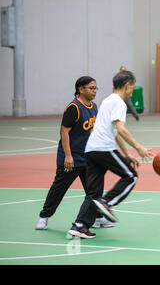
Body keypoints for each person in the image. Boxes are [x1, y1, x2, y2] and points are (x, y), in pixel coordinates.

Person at [67, 70, 154, 239]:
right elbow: (121, 130)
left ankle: (80, 226)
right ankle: (107, 204)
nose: (132, 90)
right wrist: (138, 148)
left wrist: (127, 153)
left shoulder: (108, 100)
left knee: (93, 194)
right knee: (131, 176)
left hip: (91, 150)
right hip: (103, 149)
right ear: (127, 85)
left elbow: (113, 131)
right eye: (132, 87)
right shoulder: (119, 103)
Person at [35, 76, 113, 229]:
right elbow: (64, 132)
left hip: (88, 158)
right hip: (71, 157)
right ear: (81, 89)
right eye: (91, 88)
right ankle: (44, 217)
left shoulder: (94, 106)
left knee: (94, 191)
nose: (94, 91)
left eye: (96, 88)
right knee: (59, 189)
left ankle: (97, 217)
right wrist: (68, 155)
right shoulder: (74, 108)